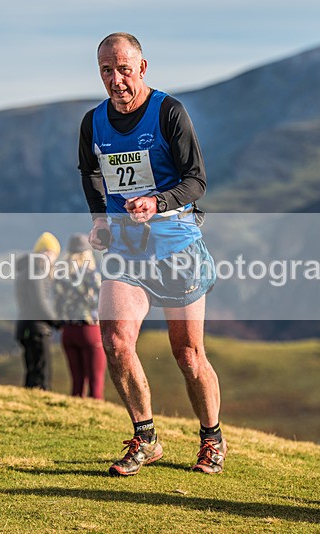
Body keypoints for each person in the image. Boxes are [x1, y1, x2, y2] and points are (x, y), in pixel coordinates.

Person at [78, 33, 225, 475]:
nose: (116, 80)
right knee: (116, 342)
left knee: (187, 354)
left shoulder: (168, 112)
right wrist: (100, 219)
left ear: (142, 68)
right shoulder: (93, 121)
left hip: (175, 245)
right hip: (125, 248)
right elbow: (89, 173)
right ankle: (145, 438)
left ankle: (211, 439)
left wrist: (156, 202)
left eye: (125, 69)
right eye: (107, 70)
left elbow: (196, 181)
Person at [54, 233, 107, 400]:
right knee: (95, 383)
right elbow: (99, 301)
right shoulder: (92, 275)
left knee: (77, 384)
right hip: (90, 329)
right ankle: (96, 420)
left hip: (68, 331)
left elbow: (57, 304)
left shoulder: (61, 276)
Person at [15, 232, 61, 390]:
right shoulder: (37, 269)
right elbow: (40, 301)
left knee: (31, 371)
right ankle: (43, 407)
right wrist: (57, 322)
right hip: (37, 328)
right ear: (48, 252)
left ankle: (29, 405)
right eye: (54, 254)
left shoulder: (26, 268)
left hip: (25, 326)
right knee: (42, 374)